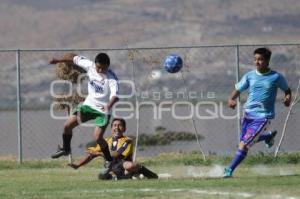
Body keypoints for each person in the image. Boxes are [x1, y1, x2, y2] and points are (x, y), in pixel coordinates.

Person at [224, 47, 292, 178]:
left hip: (263, 117)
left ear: (267, 61)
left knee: (243, 145)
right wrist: (231, 99)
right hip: (247, 114)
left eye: (260, 59)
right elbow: (238, 89)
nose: (257, 62)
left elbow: (287, 90)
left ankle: (228, 170)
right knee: (243, 142)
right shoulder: (250, 76)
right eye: (255, 59)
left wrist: (287, 98)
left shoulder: (276, 77)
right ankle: (267, 137)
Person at [49, 53, 119, 164]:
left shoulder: (112, 78)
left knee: (97, 138)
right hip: (88, 106)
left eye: (103, 68)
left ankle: (109, 160)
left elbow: (115, 97)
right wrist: (58, 60)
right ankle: (66, 149)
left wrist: (108, 106)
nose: (100, 70)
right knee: (67, 126)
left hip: (102, 111)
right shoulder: (90, 66)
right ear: (95, 64)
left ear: (108, 66)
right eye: (98, 67)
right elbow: (73, 58)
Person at [68, 118, 158, 180]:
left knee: (130, 165)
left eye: (120, 125)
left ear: (124, 129)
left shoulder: (127, 140)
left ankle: (151, 175)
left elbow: (117, 154)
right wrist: (77, 165)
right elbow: (91, 155)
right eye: (114, 125)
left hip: (124, 166)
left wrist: (99, 154)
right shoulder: (106, 141)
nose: (117, 128)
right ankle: (122, 177)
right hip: (111, 168)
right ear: (111, 128)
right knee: (103, 175)